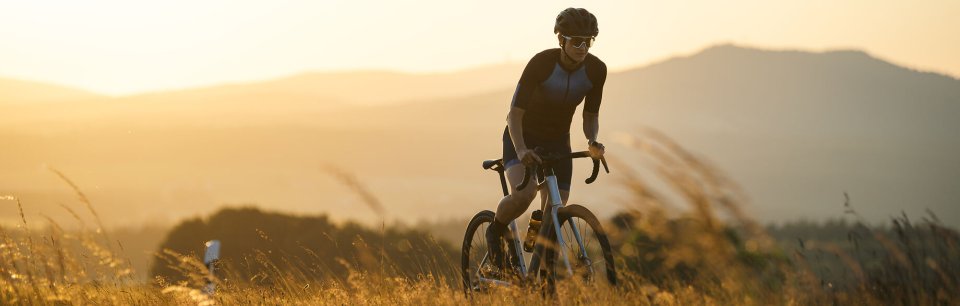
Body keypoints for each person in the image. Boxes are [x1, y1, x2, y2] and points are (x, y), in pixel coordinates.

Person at [486, 7, 607, 273]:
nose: (583, 47)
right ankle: (494, 231)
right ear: (561, 40)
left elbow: (590, 115)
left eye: (588, 41)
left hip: (557, 141)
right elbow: (514, 115)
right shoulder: (541, 64)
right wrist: (521, 150)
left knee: (555, 212)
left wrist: (592, 140)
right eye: (576, 40)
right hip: (523, 135)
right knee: (525, 195)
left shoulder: (597, 70)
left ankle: (542, 281)